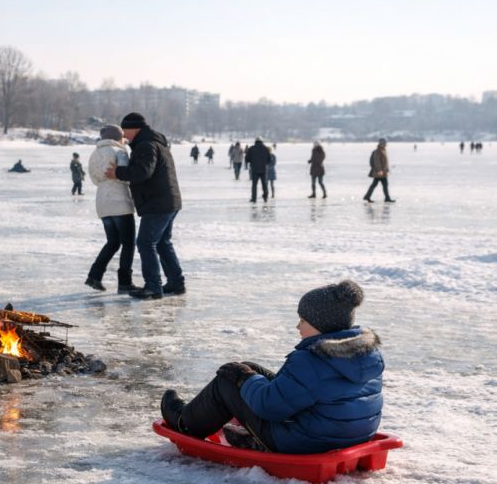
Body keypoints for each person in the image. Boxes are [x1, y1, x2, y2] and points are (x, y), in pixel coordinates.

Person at [160, 280, 383, 454]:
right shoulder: (365, 352)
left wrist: (242, 380)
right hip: (352, 434)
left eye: (303, 321)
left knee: (228, 378)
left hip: (304, 442)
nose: (298, 326)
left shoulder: (311, 360)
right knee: (248, 368)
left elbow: (270, 407)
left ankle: (184, 422)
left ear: (321, 326)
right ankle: (241, 416)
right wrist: (248, 374)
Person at [105, 112, 184, 300]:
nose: (124, 134)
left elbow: (143, 172)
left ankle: (153, 287)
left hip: (158, 203)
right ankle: (176, 283)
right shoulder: (155, 143)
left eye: (125, 130)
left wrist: (118, 172)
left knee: (146, 242)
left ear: (135, 128)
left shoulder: (146, 145)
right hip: (168, 201)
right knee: (163, 243)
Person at [85, 125, 139, 294]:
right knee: (128, 244)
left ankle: (94, 276)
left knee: (113, 242)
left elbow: (94, 179)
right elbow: (125, 176)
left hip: (102, 203)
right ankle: (124, 282)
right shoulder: (119, 152)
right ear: (118, 137)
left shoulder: (95, 154)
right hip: (120, 203)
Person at [364, 139, 395, 203]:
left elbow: (384, 162)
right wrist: (379, 170)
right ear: (381, 144)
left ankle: (368, 196)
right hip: (379, 172)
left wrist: (386, 169)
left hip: (383, 172)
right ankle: (387, 198)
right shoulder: (378, 151)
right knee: (382, 185)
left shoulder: (383, 150)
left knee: (379, 185)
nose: (386, 144)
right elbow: (377, 161)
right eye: (384, 143)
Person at [245, 137, 270, 203]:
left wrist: (252, 162)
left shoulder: (251, 148)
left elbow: (247, 158)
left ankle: (254, 198)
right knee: (264, 184)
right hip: (263, 169)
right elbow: (269, 159)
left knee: (254, 185)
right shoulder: (265, 148)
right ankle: (265, 197)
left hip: (254, 169)